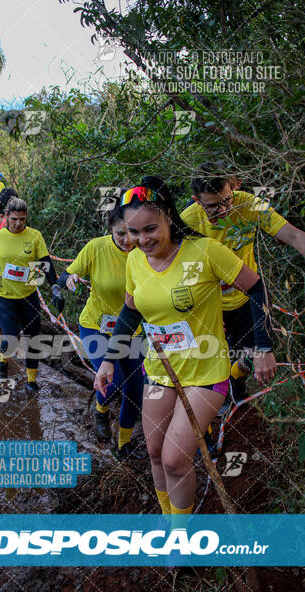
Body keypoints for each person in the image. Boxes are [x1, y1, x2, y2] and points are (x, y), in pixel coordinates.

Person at [94, 179, 277, 517]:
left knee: (175, 459)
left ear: (169, 217)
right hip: (161, 371)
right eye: (133, 233)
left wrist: (263, 345)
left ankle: (181, 542)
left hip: (206, 370)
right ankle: (170, 523)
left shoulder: (205, 251)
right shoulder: (135, 260)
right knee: (153, 451)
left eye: (150, 229)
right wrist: (108, 361)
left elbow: (256, 289)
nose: (142, 240)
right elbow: (130, 313)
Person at [181, 162, 305, 402]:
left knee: (252, 355)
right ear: (197, 201)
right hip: (209, 303)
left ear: (233, 188)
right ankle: (224, 398)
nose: (223, 210)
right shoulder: (188, 221)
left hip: (248, 297)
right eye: (213, 206)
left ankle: (234, 383)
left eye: (227, 200)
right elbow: (180, 275)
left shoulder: (249, 202)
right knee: (213, 360)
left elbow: (292, 235)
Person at [57, 204, 145, 459]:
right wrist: (69, 279)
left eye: (131, 232)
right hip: (97, 326)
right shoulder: (96, 248)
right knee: (113, 379)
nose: (127, 240)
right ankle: (100, 410)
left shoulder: (145, 250)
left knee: (135, 388)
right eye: (120, 234)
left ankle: (124, 444)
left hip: (131, 330)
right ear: (110, 232)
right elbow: (66, 274)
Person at [0, 198, 64, 393]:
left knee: (32, 338)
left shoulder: (35, 236)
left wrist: (54, 287)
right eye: (14, 219)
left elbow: (45, 263)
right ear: (6, 217)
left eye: (22, 219)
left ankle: (31, 380)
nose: (18, 223)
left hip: (28, 296)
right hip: (3, 295)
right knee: (12, 335)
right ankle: (3, 361)